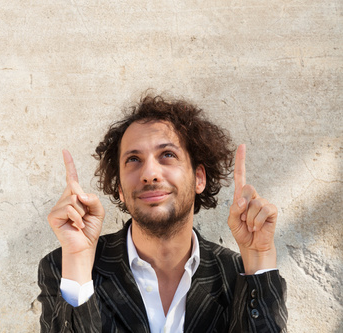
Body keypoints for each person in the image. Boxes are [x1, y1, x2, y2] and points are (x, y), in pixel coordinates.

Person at [38, 95, 287, 332]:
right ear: (120, 189)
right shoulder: (64, 267)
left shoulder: (239, 274)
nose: (150, 173)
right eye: (133, 159)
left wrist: (258, 258)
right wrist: (79, 259)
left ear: (199, 178)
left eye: (167, 155)